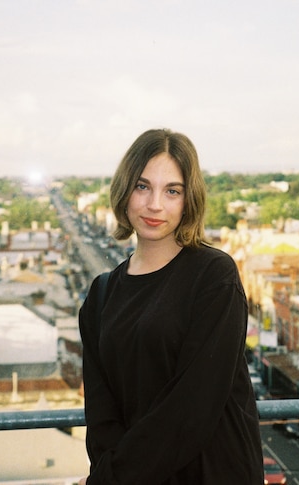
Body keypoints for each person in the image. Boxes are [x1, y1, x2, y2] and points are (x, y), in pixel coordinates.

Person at [77, 128, 264, 484]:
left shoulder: (213, 277)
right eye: (142, 186)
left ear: (188, 199)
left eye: (172, 191)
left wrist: (113, 479)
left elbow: (193, 407)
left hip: (212, 473)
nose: (155, 205)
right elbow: (101, 416)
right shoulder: (101, 296)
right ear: (124, 190)